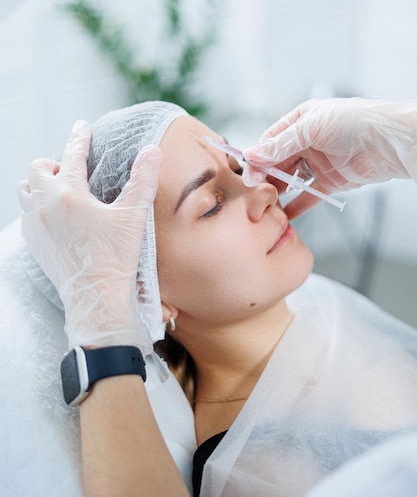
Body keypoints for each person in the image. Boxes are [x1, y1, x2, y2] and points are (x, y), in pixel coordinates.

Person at [16, 98, 417, 497]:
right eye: (211, 206)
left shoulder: (316, 302)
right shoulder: (264, 467)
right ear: (146, 293)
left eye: (239, 167)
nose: (264, 191)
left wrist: (400, 135)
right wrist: (100, 308)